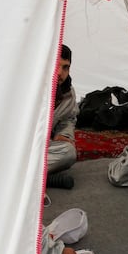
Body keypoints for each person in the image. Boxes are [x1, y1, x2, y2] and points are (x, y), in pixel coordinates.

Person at [46, 44, 78, 189]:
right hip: (17, 146)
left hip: (44, 147)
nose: (60, 72)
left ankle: (27, 176)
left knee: (69, 152)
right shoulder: (30, 87)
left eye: (65, 67)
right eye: (55, 65)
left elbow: (69, 118)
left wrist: (61, 135)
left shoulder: (68, 94)